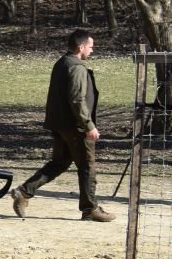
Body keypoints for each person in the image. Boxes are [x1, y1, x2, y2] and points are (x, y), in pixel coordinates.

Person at [11, 29, 113, 222]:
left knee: (59, 163)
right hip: (75, 127)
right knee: (87, 166)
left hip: (60, 125)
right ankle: (90, 209)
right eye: (90, 47)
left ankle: (24, 192)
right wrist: (88, 125)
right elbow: (77, 100)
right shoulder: (76, 67)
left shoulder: (62, 62)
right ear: (81, 47)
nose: (92, 50)